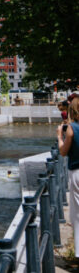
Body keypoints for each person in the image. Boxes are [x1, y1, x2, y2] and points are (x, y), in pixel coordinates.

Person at [57, 94, 79, 256]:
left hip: (77, 172)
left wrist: (59, 136)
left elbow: (63, 152)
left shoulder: (73, 128)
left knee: (77, 215)